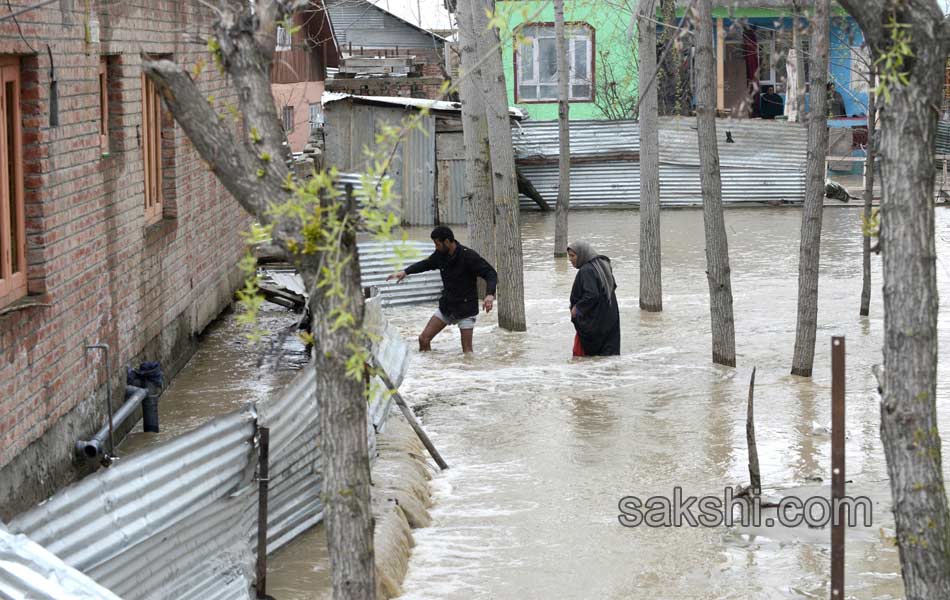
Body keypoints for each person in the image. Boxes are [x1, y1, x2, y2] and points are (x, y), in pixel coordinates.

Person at [388, 226, 497, 353]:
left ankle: (468, 372)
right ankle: (430, 371)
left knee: (467, 352)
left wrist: (489, 294)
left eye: (437, 244)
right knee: (423, 339)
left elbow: (490, 273)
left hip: (466, 309)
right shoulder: (440, 255)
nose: (436, 248)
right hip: (447, 306)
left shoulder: (468, 256)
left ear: (447, 242)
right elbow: (426, 264)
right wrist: (406, 272)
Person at [567, 241, 620, 356]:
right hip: (609, 319)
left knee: (585, 358)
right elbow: (611, 287)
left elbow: (592, 294)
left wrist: (577, 309)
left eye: (572, 256)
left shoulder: (587, 270)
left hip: (596, 323)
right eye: (569, 256)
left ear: (582, 254)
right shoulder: (601, 265)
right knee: (607, 356)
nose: (570, 259)